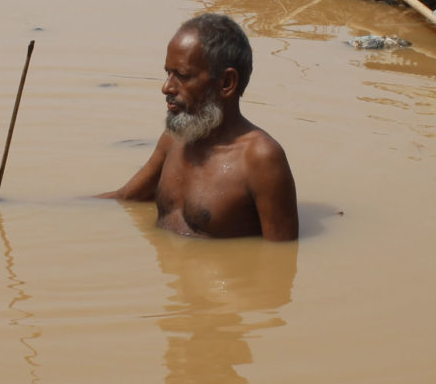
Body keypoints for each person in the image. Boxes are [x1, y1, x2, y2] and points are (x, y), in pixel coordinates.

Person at [101, 13, 299, 241]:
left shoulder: (261, 158)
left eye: (183, 76)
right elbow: (127, 198)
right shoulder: (174, 139)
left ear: (226, 83)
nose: (166, 88)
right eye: (168, 73)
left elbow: (281, 255)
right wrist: (67, 207)